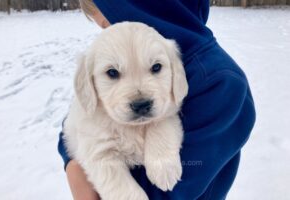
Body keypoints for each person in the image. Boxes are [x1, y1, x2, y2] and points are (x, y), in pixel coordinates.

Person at [58, 0, 256, 199]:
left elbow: (170, 189)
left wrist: (160, 137)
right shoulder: (108, 59)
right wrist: (74, 163)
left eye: (108, 24)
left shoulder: (220, 84)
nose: (116, 34)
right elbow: (77, 123)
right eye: (112, 73)